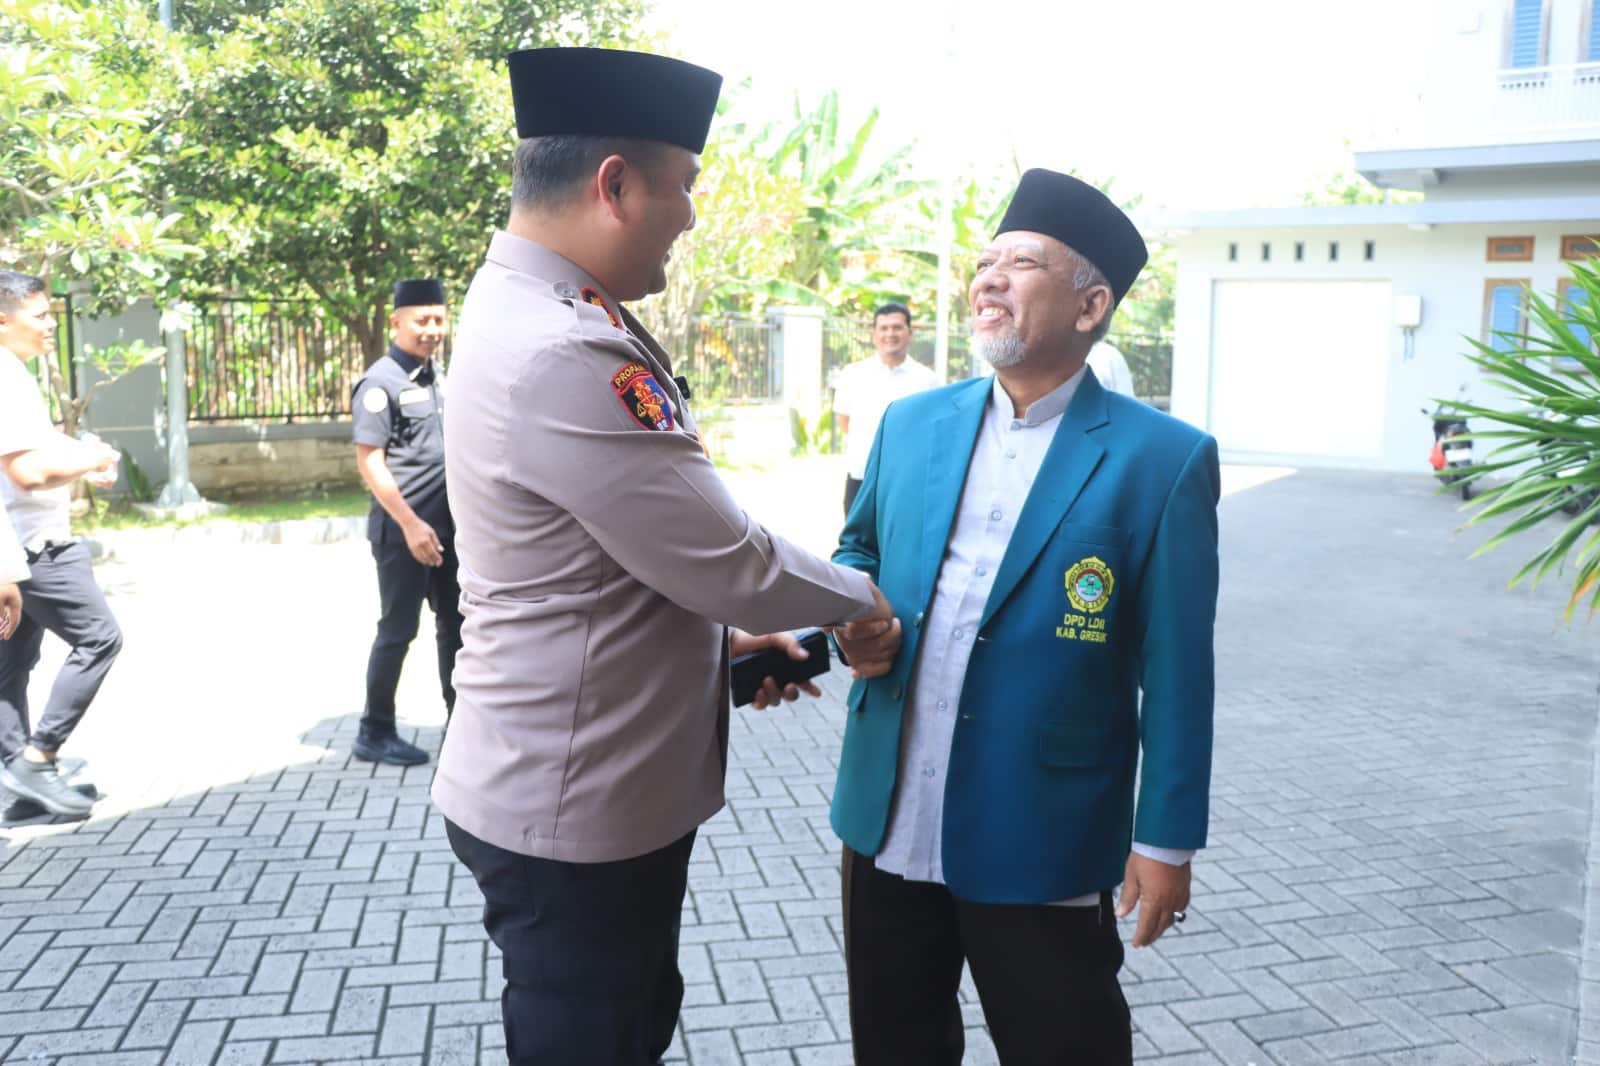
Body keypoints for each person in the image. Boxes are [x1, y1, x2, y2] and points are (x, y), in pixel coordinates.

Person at [432, 47, 901, 1066]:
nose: (689, 213)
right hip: (576, 804)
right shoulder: (565, 347)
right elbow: (731, 561)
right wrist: (863, 599)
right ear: (615, 185)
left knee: (629, 1017)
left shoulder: (527, 305)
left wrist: (723, 651)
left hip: (569, 774)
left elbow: (594, 566)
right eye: (683, 184)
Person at [827, 169, 1220, 1065]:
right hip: (888, 811)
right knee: (894, 1046)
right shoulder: (911, 423)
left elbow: (1179, 672)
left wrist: (1164, 841)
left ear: (1090, 306)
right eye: (985, 262)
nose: (989, 279)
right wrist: (852, 616)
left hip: (1042, 826)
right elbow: (858, 551)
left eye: (1024, 263)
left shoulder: (1162, 459)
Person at [0, 271, 124, 819]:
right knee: (99, 638)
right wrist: (90, 458)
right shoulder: (5, 378)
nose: (51, 324)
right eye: (41, 315)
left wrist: (83, 459)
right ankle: (39, 757)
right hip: (34, 547)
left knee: (11, 666)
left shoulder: (14, 373)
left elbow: (38, 446)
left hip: (20, 549)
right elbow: (27, 472)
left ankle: (20, 782)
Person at [349, 278, 460, 767]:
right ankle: (374, 731)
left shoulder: (436, 376)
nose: (432, 329)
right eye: (422, 320)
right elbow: (369, 460)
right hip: (403, 533)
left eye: (439, 319)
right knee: (397, 630)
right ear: (396, 322)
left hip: (446, 531)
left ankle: (462, 723)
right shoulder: (381, 382)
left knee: (456, 626)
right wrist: (412, 524)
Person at [832, 302, 939, 515]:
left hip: (906, 482)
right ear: (874, 335)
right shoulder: (852, 374)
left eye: (897, 327)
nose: (890, 334)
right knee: (856, 537)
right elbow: (844, 421)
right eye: (884, 328)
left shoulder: (927, 380)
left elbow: (931, 430)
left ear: (910, 333)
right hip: (861, 477)